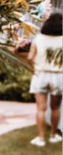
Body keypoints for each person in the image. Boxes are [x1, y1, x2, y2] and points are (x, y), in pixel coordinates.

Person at [27, 12, 63, 147]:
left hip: (40, 75)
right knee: (55, 108)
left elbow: (30, 57)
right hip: (59, 76)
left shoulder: (38, 39)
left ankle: (41, 139)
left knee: (40, 109)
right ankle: (53, 136)